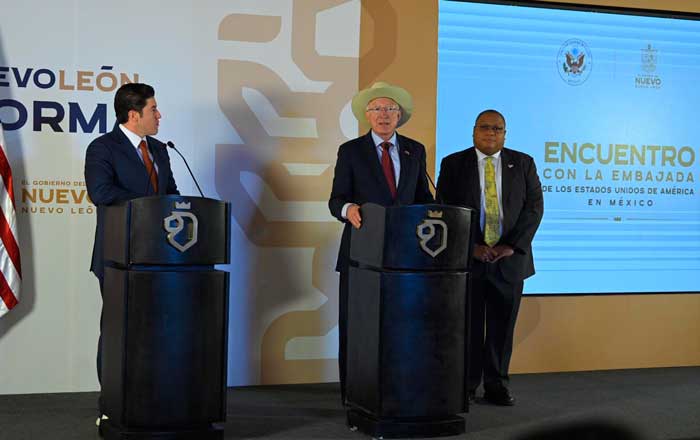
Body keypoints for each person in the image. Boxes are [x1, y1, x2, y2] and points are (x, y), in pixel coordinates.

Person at [328, 81, 434, 402]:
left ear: (399, 115)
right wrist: (349, 209)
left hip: (405, 256)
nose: (383, 114)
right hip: (362, 254)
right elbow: (336, 200)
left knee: (401, 326)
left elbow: (423, 198)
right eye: (377, 109)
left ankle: (398, 391)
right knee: (358, 326)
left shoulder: (415, 150)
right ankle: (354, 394)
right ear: (367, 115)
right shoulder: (351, 151)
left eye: (390, 109)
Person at [84, 83, 179, 423]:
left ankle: (153, 401)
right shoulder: (102, 147)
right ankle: (111, 405)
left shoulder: (160, 149)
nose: (159, 115)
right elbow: (101, 192)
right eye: (153, 109)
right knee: (118, 332)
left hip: (161, 258)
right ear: (133, 115)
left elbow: (171, 194)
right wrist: (149, 206)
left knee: (157, 333)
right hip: (118, 257)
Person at [436, 109, 543, 406]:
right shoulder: (453, 164)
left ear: (505, 134)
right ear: (473, 131)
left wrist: (511, 246)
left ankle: (497, 384)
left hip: (509, 262)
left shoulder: (523, 163)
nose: (491, 133)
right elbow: (445, 210)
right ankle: (467, 384)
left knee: (502, 329)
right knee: (468, 327)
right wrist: (470, 247)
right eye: (484, 127)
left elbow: (534, 209)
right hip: (468, 261)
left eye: (497, 128)